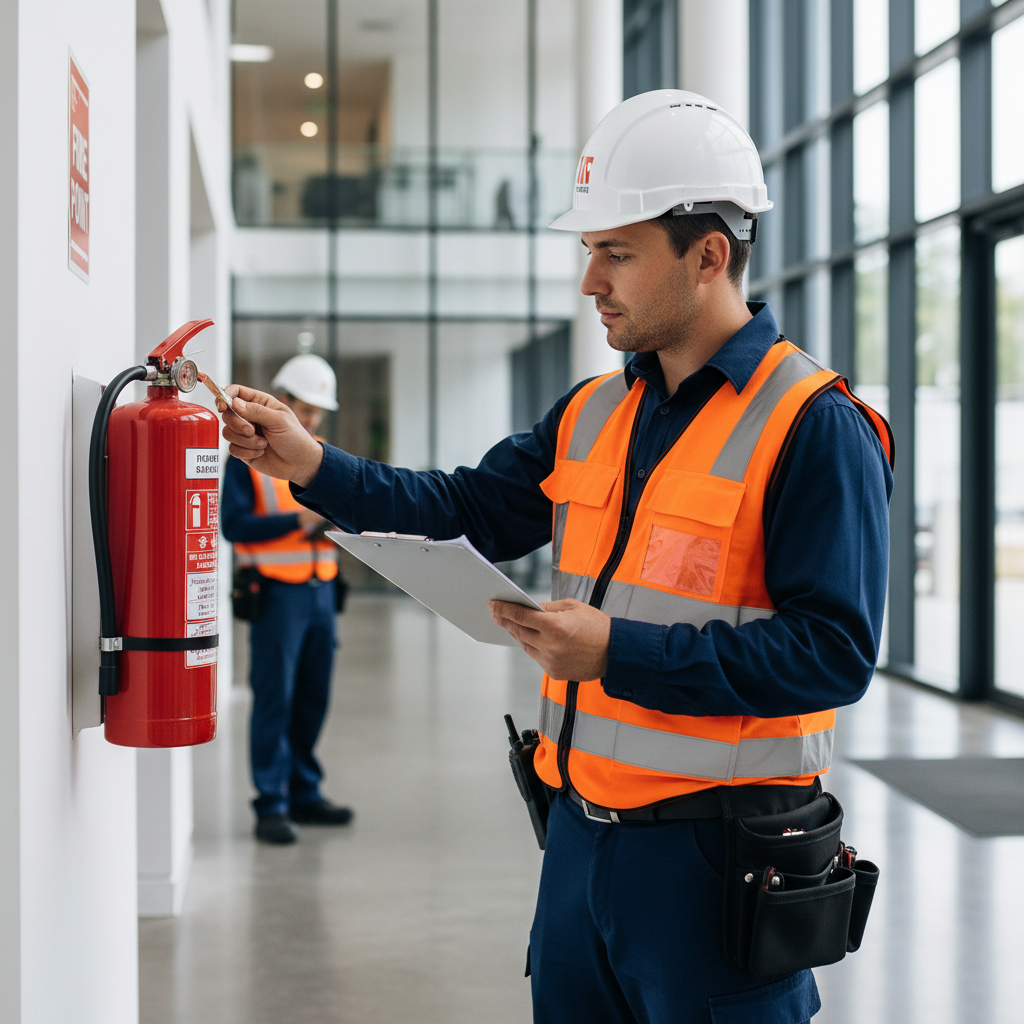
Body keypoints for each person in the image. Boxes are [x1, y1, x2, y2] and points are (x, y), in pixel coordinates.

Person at [217, 92, 893, 1020]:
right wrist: (312, 462)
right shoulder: (591, 412)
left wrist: (618, 652)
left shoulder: (815, 427)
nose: (592, 282)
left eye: (616, 252)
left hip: (720, 863)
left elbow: (833, 653)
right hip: (577, 844)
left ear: (709, 255)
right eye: (590, 252)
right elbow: (463, 509)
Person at [221, 353, 354, 845]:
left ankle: (305, 793)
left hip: (321, 596)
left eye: (320, 411)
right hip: (277, 597)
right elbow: (233, 526)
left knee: (312, 699)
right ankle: (270, 804)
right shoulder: (248, 459)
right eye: (306, 406)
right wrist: (295, 523)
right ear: (282, 400)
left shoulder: (319, 454)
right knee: (274, 700)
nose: (314, 419)